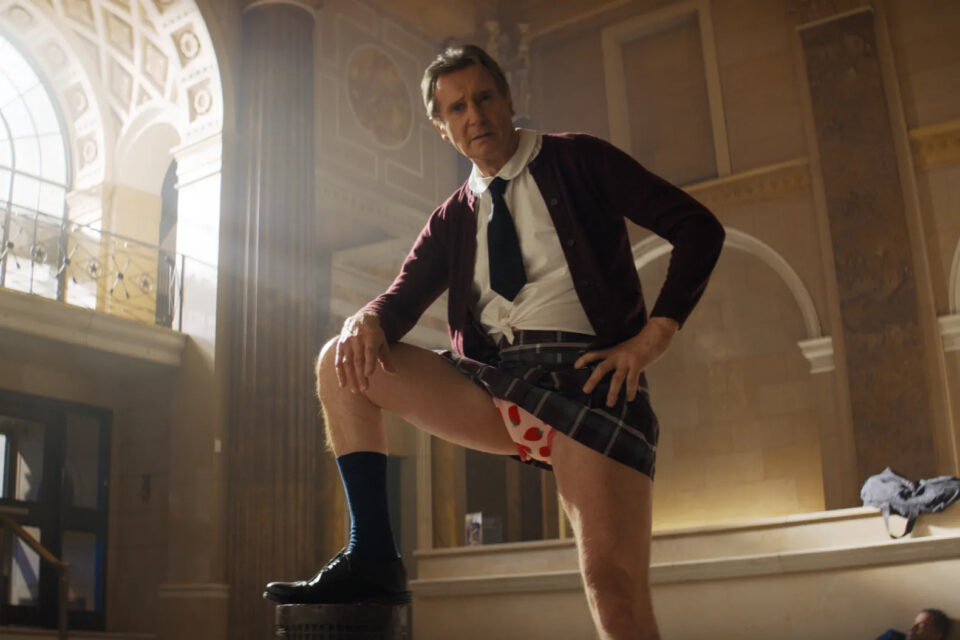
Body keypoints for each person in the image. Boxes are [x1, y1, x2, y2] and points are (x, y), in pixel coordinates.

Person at [263, 44, 725, 640]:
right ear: (441, 127)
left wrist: (653, 337)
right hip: (494, 385)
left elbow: (698, 228)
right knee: (339, 360)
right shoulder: (452, 217)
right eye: (457, 108)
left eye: (484, 98)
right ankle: (372, 556)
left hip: (590, 382)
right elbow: (398, 302)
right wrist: (366, 319)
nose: (475, 115)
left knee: (613, 591)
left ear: (508, 99)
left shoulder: (580, 159)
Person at [877, 609, 952, 640]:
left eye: (921, 626)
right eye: (914, 623)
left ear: (936, 635)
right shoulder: (891, 636)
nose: (912, 628)